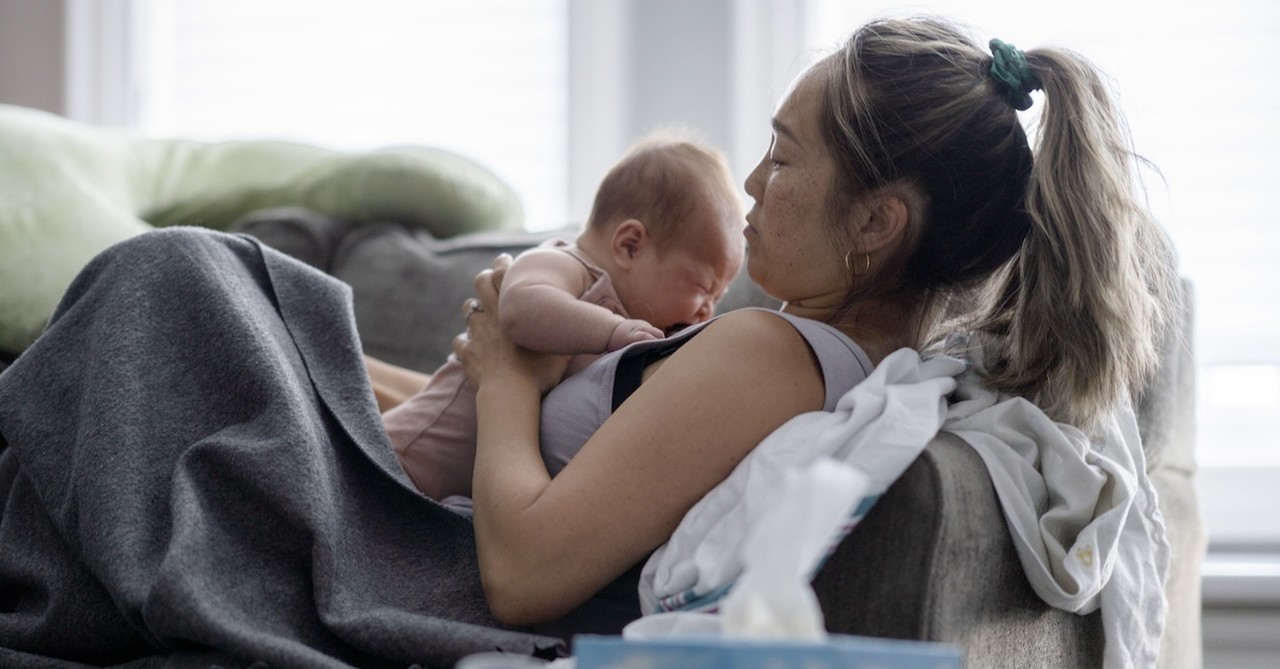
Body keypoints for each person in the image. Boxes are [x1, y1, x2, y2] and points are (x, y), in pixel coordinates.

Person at [0, 15, 1176, 668]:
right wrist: (354, 377)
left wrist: (509, 376)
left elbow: (524, 575)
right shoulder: (786, 356)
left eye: (784, 154)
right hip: (418, 515)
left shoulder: (765, 354)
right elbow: (553, 451)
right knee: (251, 305)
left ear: (876, 223)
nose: (754, 185)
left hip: (425, 572)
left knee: (176, 275)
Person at [381, 135, 744, 507]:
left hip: (455, 498)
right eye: (704, 287)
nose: (707, 311)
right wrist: (613, 329)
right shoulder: (568, 264)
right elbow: (520, 309)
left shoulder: (638, 330)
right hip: (402, 457)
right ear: (630, 245)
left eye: (718, 299)